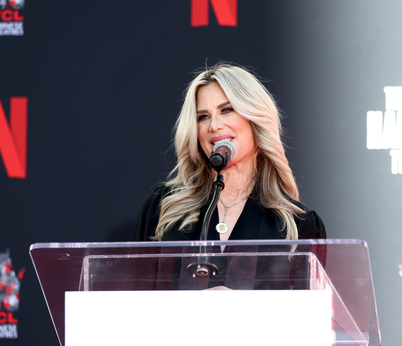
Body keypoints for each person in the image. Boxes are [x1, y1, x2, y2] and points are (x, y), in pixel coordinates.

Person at [133, 62, 326, 243]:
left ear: (254, 118)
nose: (214, 126)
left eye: (226, 110)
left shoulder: (298, 224)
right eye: (203, 117)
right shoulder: (163, 207)